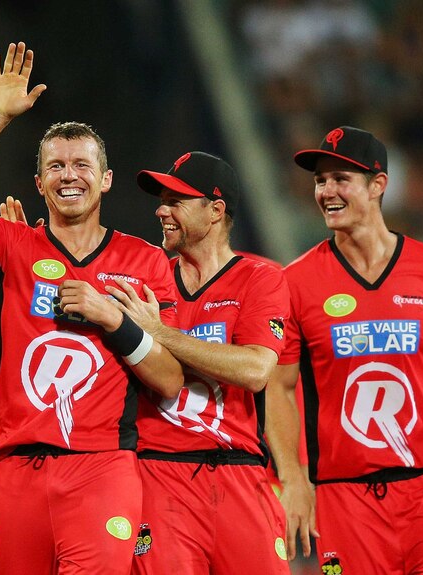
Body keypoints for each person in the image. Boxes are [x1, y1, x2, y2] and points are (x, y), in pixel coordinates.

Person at [0, 42, 183, 574]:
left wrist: (113, 319)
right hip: (15, 469)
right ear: (39, 181)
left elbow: (170, 379)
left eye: (83, 165)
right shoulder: (13, 246)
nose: (70, 175)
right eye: (57, 166)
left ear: (106, 180)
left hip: (102, 470)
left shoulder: (148, 262)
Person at [268, 125, 423, 574]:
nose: (327, 191)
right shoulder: (294, 282)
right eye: (319, 181)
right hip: (343, 498)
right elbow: (279, 386)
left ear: (378, 185)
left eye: (340, 179)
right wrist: (294, 478)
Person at [101, 152, 292, 574]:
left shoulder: (261, 278)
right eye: (162, 200)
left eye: (176, 201)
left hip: (241, 475)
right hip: (160, 474)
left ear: (216, 210)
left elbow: (256, 370)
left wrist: (161, 333)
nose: (161, 210)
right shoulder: (147, 279)